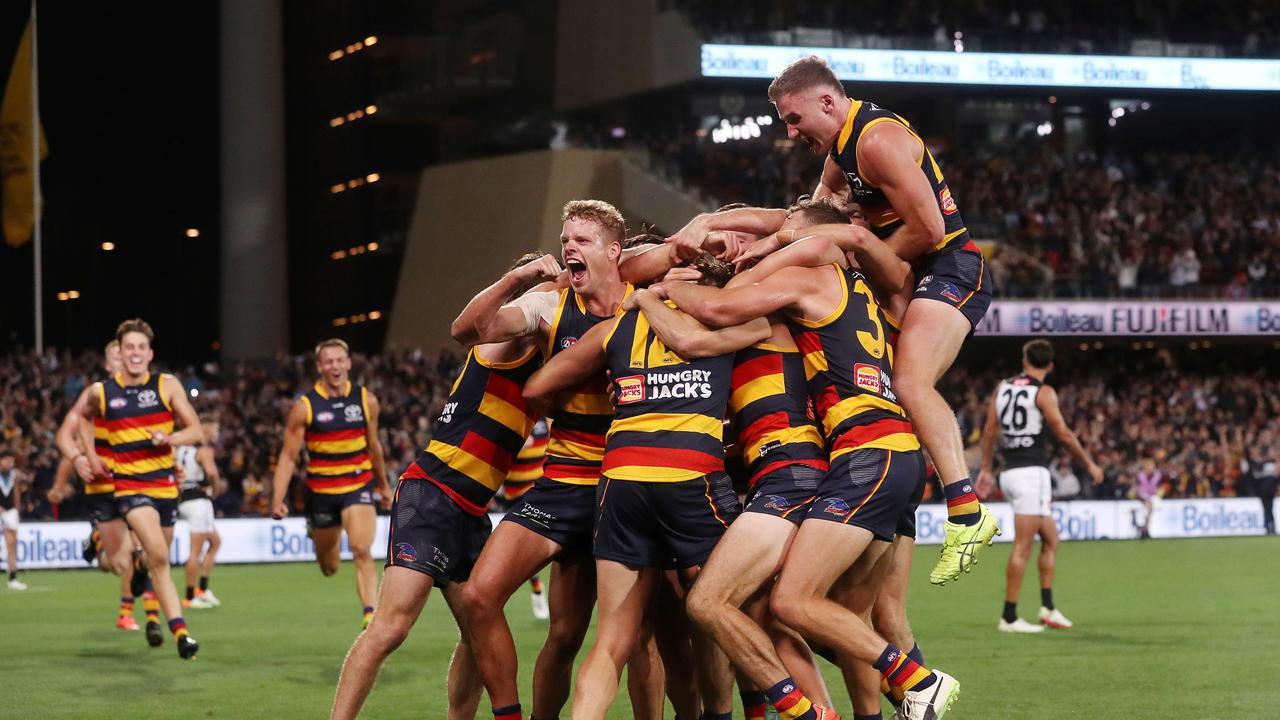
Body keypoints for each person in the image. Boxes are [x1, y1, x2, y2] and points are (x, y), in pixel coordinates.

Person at [672, 55, 999, 585]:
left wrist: (856, 253)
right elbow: (799, 220)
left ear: (828, 102)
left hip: (950, 266)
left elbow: (931, 229)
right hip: (907, 275)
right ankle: (900, 518)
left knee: (910, 382)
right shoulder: (839, 156)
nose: (790, 130)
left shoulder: (874, 142)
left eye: (794, 118)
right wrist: (710, 220)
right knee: (885, 391)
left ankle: (967, 510)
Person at [660, 211, 960, 720]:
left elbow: (705, 320)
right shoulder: (853, 296)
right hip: (874, 457)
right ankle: (897, 698)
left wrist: (655, 290)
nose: (758, 248)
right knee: (849, 614)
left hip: (821, 467)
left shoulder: (780, 301)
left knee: (763, 606)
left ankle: (905, 685)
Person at [521, 253, 769, 720]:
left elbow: (536, 387)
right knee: (714, 614)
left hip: (621, 479)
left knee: (613, 640)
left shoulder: (617, 327)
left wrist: (616, 395)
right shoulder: (732, 319)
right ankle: (720, 713)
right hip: (690, 477)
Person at [331, 257, 557, 720]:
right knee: (391, 628)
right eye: (553, 290)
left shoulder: (548, 358)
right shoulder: (506, 340)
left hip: (472, 510)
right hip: (433, 491)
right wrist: (521, 280)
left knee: (480, 633)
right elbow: (472, 327)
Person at [453, 201, 644, 720]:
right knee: (478, 597)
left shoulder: (646, 303)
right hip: (562, 483)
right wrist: (517, 277)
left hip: (625, 486)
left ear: (613, 251)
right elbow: (469, 330)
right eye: (565, 241)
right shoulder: (549, 307)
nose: (568, 248)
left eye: (581, 240)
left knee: (596, 637)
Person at [77, 318, 202, 659]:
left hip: (165, 485)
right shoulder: (102, 392)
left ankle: (140, 571)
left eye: (140, 347)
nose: (134, 353)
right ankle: (182, 633)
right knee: (161, 555)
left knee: (153, 558)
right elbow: (83, 419)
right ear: (121, 351)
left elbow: (196, 431)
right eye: (128, 347)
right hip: (130, 487)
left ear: (150, 353)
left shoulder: (167, 385)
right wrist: (88, 454)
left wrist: (171, 438)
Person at [978, 339, 1103, 634]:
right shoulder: (1044, 392)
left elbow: (989, 430)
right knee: (1023, 547)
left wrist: (986, 468)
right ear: (1050, 365)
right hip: (1031, 473)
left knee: (1051, 539)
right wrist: (1089, 464)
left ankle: (1048, 608)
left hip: (1009, 472)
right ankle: (1009, 617)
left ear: (1024, 361)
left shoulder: (1002, 387)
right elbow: (1062, 433)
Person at [271, 338, 393, 629]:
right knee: (329, 567)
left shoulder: (366, 400)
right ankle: (317, 531)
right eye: (329, 361)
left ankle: (369, 612)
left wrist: (383, 485)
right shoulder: (305, 407)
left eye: (340, 360)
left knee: (362, 548)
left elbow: (374, 447)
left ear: (349, 363)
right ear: (320, 367)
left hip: (357, 485)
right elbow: (288, 456)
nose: (335, 366)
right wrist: (278, 498)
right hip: (322, 493)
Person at [51, 340, 140, 628]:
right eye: (118, 354)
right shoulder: (97, 396)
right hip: (104, 487)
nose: (126, 358)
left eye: (130, 352)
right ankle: (99, 542)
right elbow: (66, 435)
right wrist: (77, 460)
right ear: (108, 364)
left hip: (138, 484)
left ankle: (134, 614)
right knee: (117, 564)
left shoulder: (147, 394)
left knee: (146, 551)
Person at [504, 419, 551, 620]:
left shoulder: (547, 416)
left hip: (543, 490)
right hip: (516, 495)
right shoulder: (514, 415)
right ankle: (537, 588)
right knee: (525, 550)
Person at [176, 415, 224, 609]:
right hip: (198, 502)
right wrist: (215, 488)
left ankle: (202, 589)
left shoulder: (180, 447)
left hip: (184, 499)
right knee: (195, 551)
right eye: (215, 429)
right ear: (204, 429)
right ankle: (189, 596)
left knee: (215, 542)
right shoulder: (204, 451)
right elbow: (211, 473)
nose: (217, 433)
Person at [1, 449, 26, 590]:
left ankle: (12, 577)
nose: (9, 463)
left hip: (10, 512)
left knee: (12, 544)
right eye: (7, 460)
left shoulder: (13, 475)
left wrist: (16, 510)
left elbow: (16, 492)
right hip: (2, 511)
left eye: (11, 461)